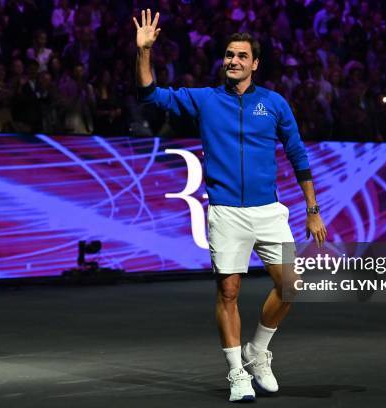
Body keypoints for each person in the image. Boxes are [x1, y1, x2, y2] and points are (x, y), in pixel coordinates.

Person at [133, 9, 327, 403]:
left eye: (241, 56)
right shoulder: (205, 99)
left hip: (268, 210)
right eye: (228, 55)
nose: (233, 60)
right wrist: (145, 52)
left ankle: (258, 352)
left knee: (291, 286)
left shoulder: (274, 103)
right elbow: (151, 95)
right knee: (228, 292)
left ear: (255, 63)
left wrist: (312, 208)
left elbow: (298, 154)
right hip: (225, 211)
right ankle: (237, 372)